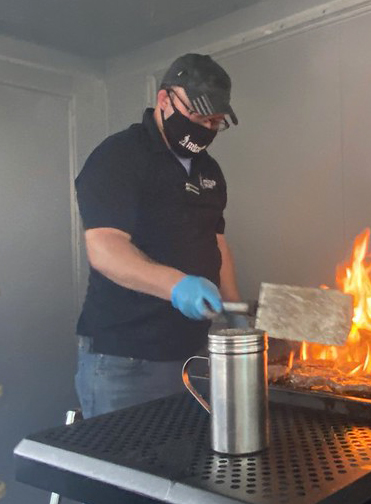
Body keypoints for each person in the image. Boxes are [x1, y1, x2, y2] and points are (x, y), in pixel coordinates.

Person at [74, 53, 245, 418]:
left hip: (193, 356)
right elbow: (105, 248)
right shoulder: (119, 156)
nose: (207, 128)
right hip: (125, 361)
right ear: (165, 100)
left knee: (187, 465)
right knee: (123, 470)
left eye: (215, 121)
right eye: (199, 117)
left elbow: (216, 243)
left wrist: (236, 312)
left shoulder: (209, 170)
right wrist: (177, 285)